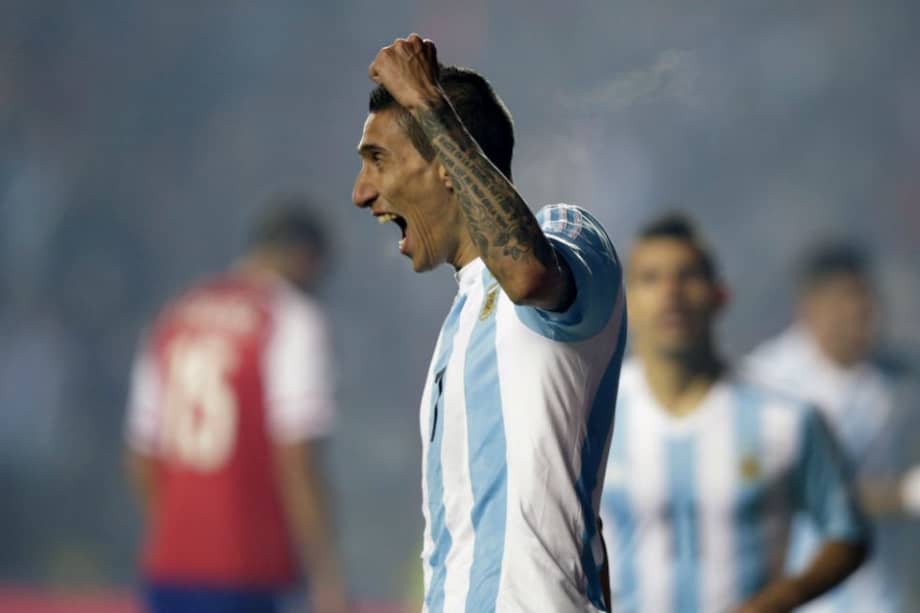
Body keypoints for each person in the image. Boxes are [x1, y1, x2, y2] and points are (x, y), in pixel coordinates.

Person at [351, 35, 626, 612]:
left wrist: (427, 101)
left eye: (378, 160)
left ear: (445, 162)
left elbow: (528, 274)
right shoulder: (459, 321)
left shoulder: (568, 237)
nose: (361, 192)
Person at [600, 214, 868, 613]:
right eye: (651, 279)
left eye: (688, 276)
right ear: (626, 302)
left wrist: (777, 601)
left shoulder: (786, 418)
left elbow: (847, 534)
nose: (671, 294)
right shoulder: (593, 417)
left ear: (720, 295)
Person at [124, 198, 348, 613]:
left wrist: (183, 530)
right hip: (251, 568)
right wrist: (327, 577)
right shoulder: (291, 318)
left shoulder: (174, 316)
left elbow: (141, 453)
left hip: (171, 568)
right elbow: (297, 456)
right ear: (305, 258)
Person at [746, 241, 920, 613]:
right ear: (809, 308)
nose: (857, 315)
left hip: (881, 597)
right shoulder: (767, 382)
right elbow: (793, 489)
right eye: (843, 302)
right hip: (802, 597)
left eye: (864, 302)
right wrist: (902, 495)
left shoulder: (899, 382)